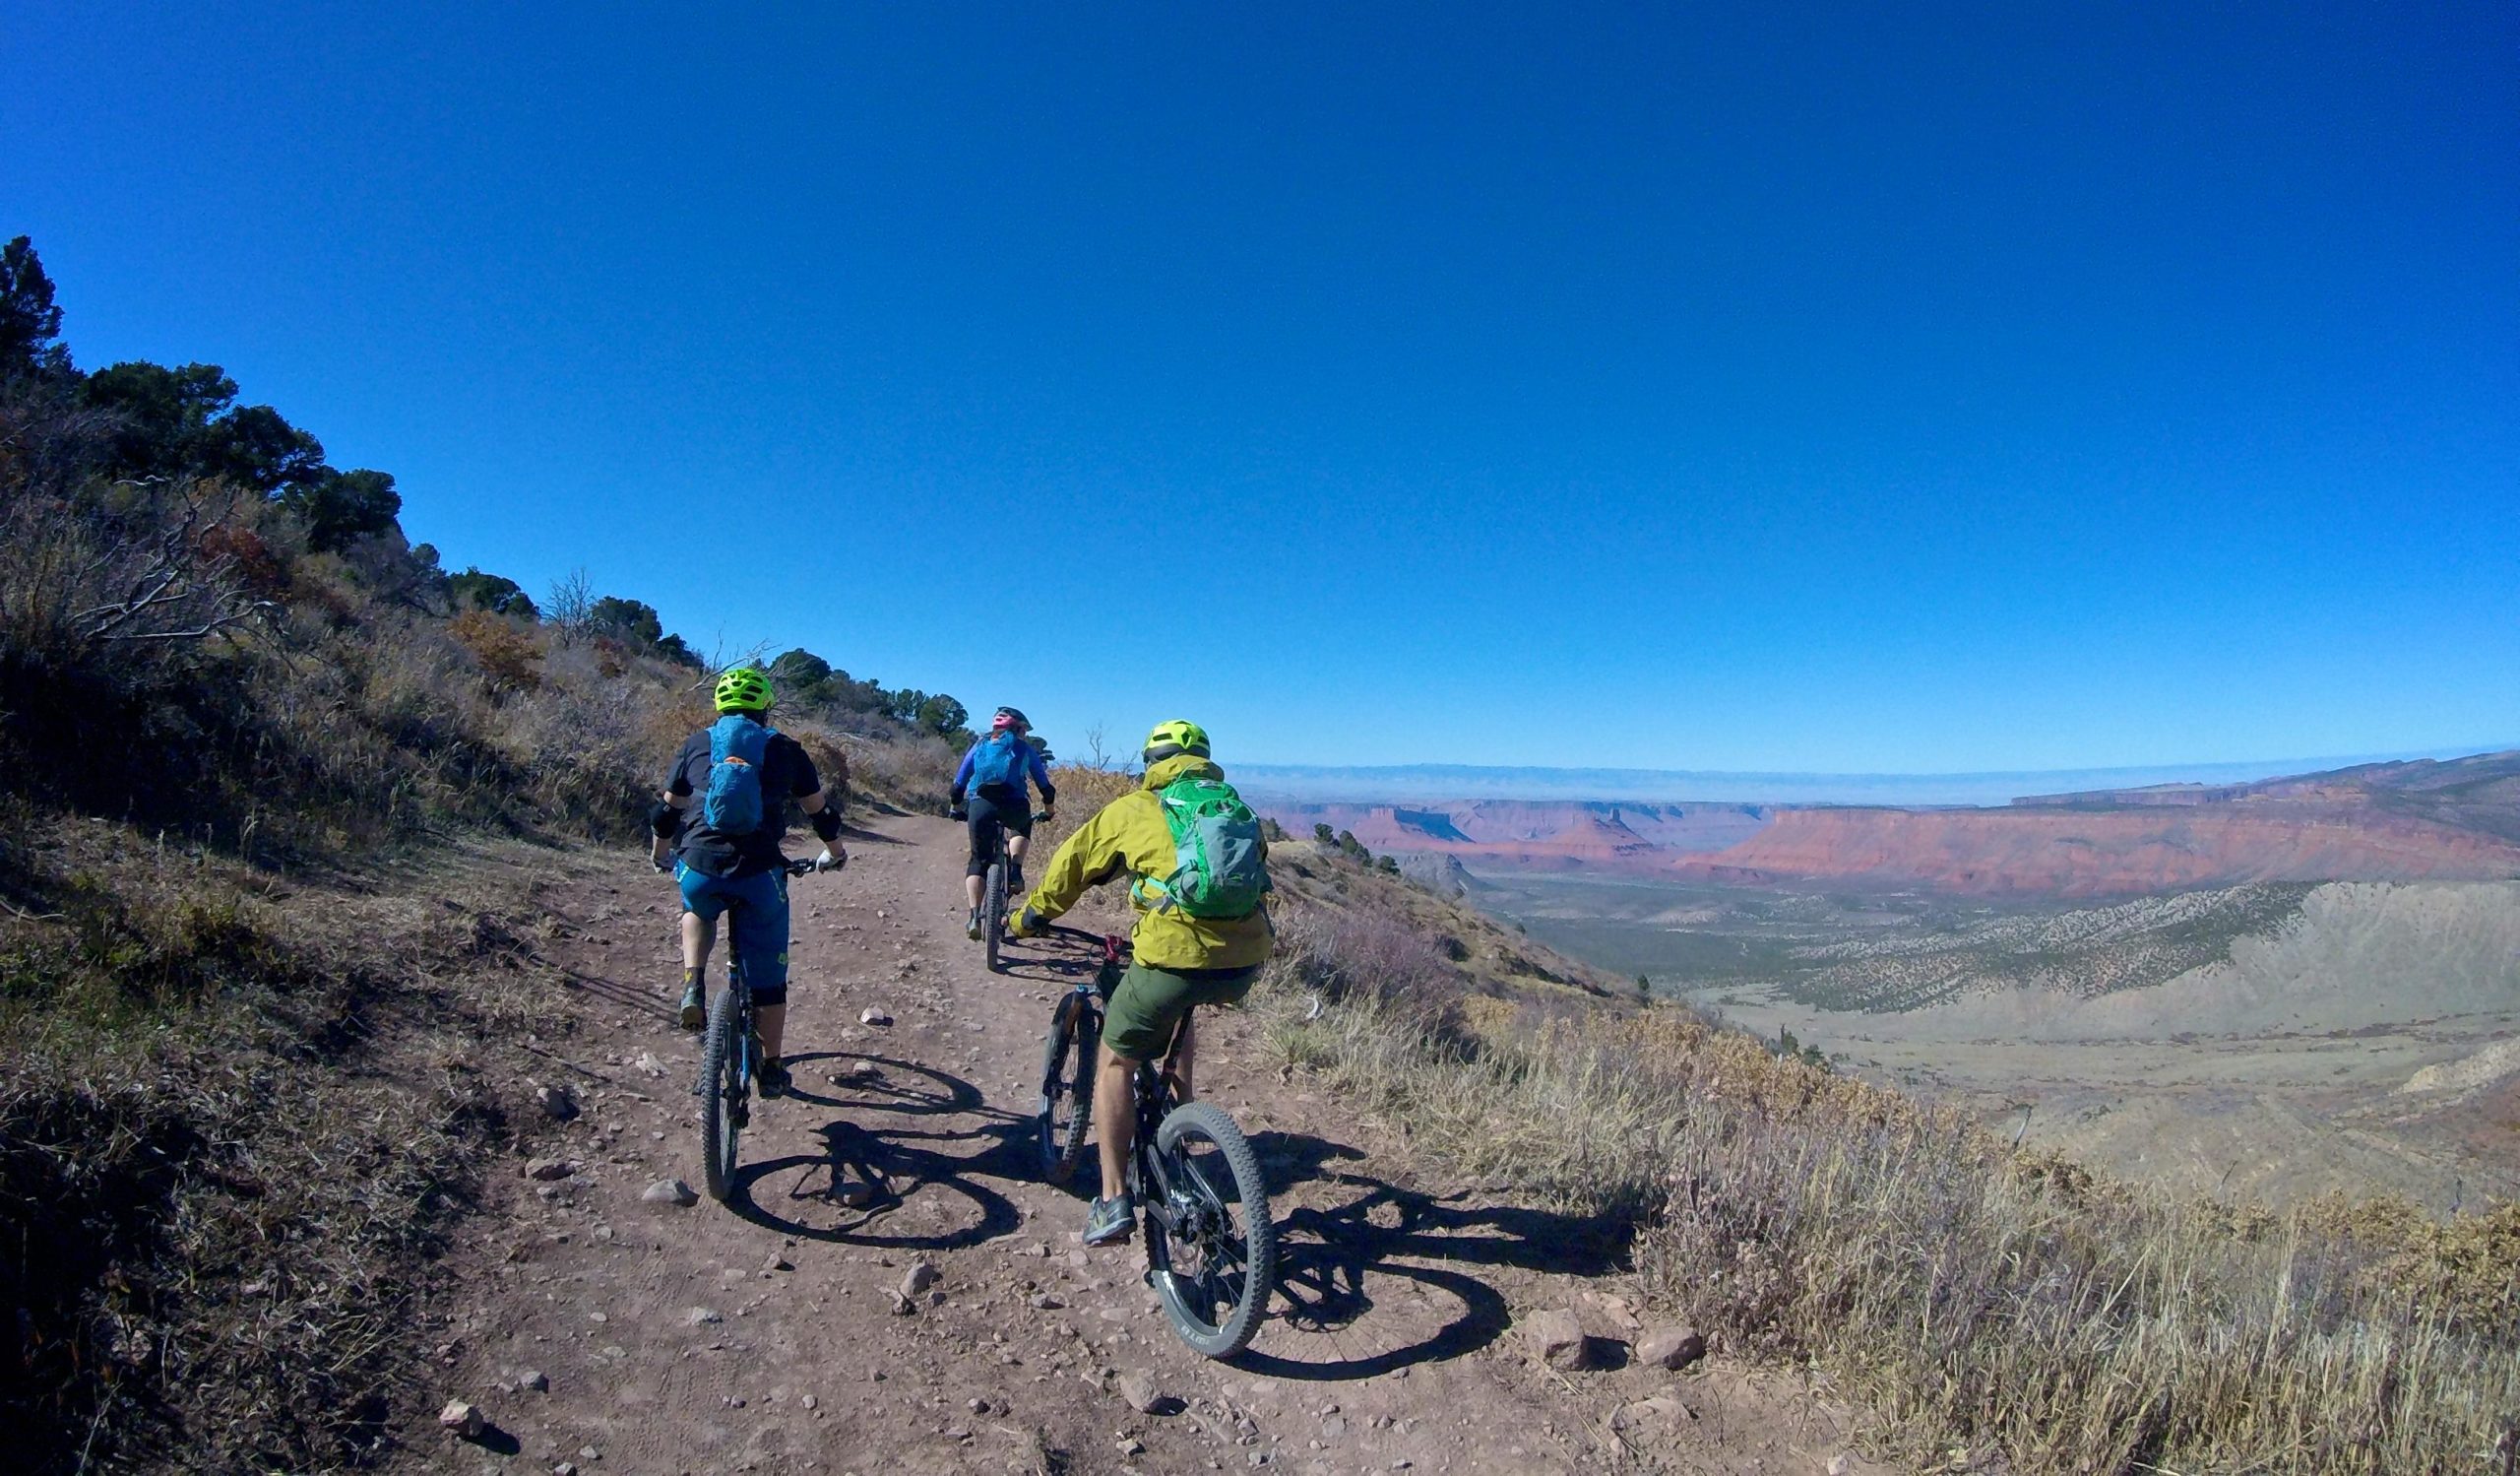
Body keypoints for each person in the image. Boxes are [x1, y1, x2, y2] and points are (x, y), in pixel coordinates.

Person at [1008, 719, 1272, 1246]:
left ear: (1152, 762)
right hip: (1245, 963)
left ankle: (1110, 1200)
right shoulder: (1233, 809)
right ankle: (1179, 1127)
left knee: (1114, 1060)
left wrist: (1029, 917)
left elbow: (1072, 867)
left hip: (1173, 955)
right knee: (1177, 1013)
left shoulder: (1133, 809)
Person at [647, 666, 846, 1097]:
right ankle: (771, 1067)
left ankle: (692, 985)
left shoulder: (696, 744)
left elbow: (667, 814)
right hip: (759, 874)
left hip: (699, 865)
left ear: (719, 706)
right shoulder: (787, 750)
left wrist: (662, 854)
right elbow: (821, 814)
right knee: (769, 981)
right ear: (766, 709)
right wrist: (836, 853)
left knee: (696, 907)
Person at [948, 706, 1057, 939]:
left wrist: (957, 808)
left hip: (981, 806)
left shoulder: (979, 746)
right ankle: (1016, 870)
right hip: (1015, 805)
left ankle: (975, 917)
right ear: (1018, 729)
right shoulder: (1024, 749)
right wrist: (1049, 810)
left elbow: (957, 786)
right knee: (1021, 826)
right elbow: (1045, 787)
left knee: (978, 860)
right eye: (1024, 730)